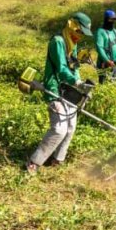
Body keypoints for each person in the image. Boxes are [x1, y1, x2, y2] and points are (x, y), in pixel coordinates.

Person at [27, 12, 93, 174]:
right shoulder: (58, 42)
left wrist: (82, 86)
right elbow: (62, 68)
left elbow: (74, 67)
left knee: (70, 127)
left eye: (83, 34)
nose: (81, 37)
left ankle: (57, 160)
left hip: (69, 90)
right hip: (54, 88)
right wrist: (75, 82)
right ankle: (33, 162)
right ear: (73, 27)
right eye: (80, 32)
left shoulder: (73, 43)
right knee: (59, 129)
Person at [95, 9, 116, 84]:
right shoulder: (100, 32)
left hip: (114, 64)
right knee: (103, 85)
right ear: (106, 19)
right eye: (110, 19)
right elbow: (99, 48)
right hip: (104, 64)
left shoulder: (115, 32)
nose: (112, 21)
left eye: (114, 19)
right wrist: (107, 60)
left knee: (113, 84)